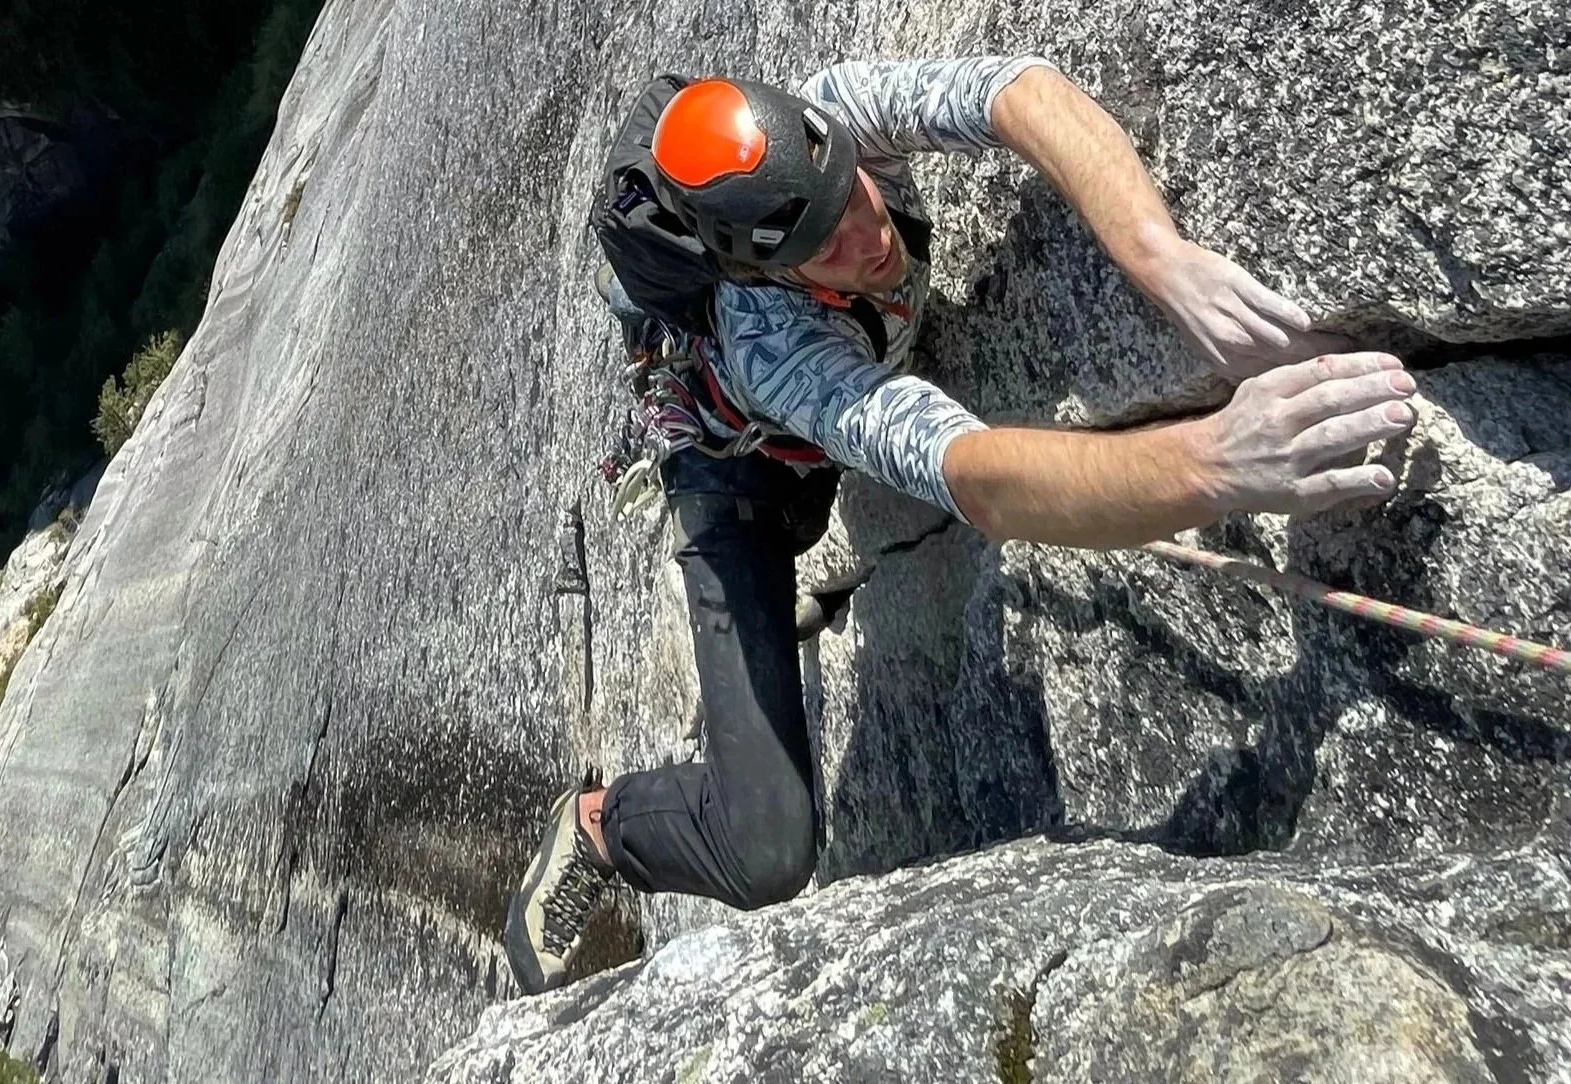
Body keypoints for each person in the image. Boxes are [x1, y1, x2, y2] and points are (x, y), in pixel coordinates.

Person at [502, 56, 1419, 993]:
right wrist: (1217, 464)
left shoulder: (839, 114)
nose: (866, 236)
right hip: (738, 487)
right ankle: (600, 827)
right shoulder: (775, 348)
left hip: (807, 447)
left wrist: (1162, 257)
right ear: (765, 272)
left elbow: (1019, 94)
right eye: (824, 247)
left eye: (852, 194)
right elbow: (976, 477)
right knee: (766, 849)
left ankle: (794, 600)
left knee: (824, 481)